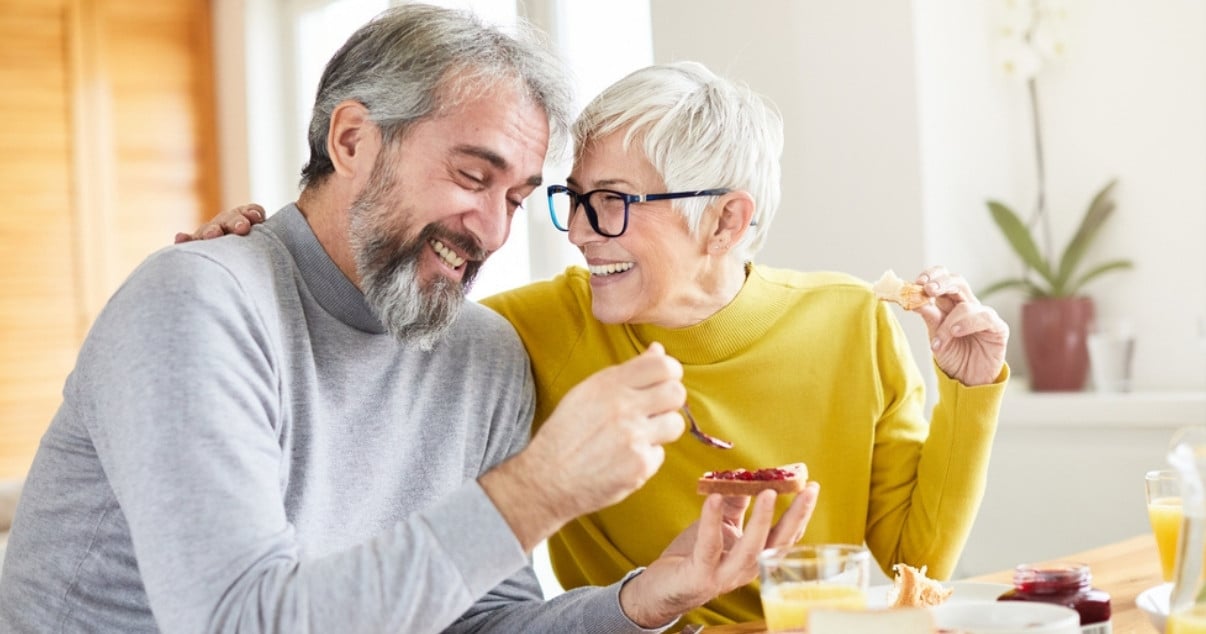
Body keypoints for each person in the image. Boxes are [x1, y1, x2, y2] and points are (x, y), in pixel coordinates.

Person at [0, 7, 819, 633]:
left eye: (518, 198)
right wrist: (537, 492)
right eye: (473, 175)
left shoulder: (481, 354)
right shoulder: (198, 305)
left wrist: (644, 598)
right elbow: (239, 620)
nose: (494, 230)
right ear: (353, 139)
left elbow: (476, 621)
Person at [186, 61, 1010, 627]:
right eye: (572, 199)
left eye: (612, 203)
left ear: (726, 219)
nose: (579, 232)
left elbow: (910, 563)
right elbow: (361, 335)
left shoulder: (850, 320)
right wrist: (263, 263)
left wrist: (971, 394)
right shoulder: (521, 334)